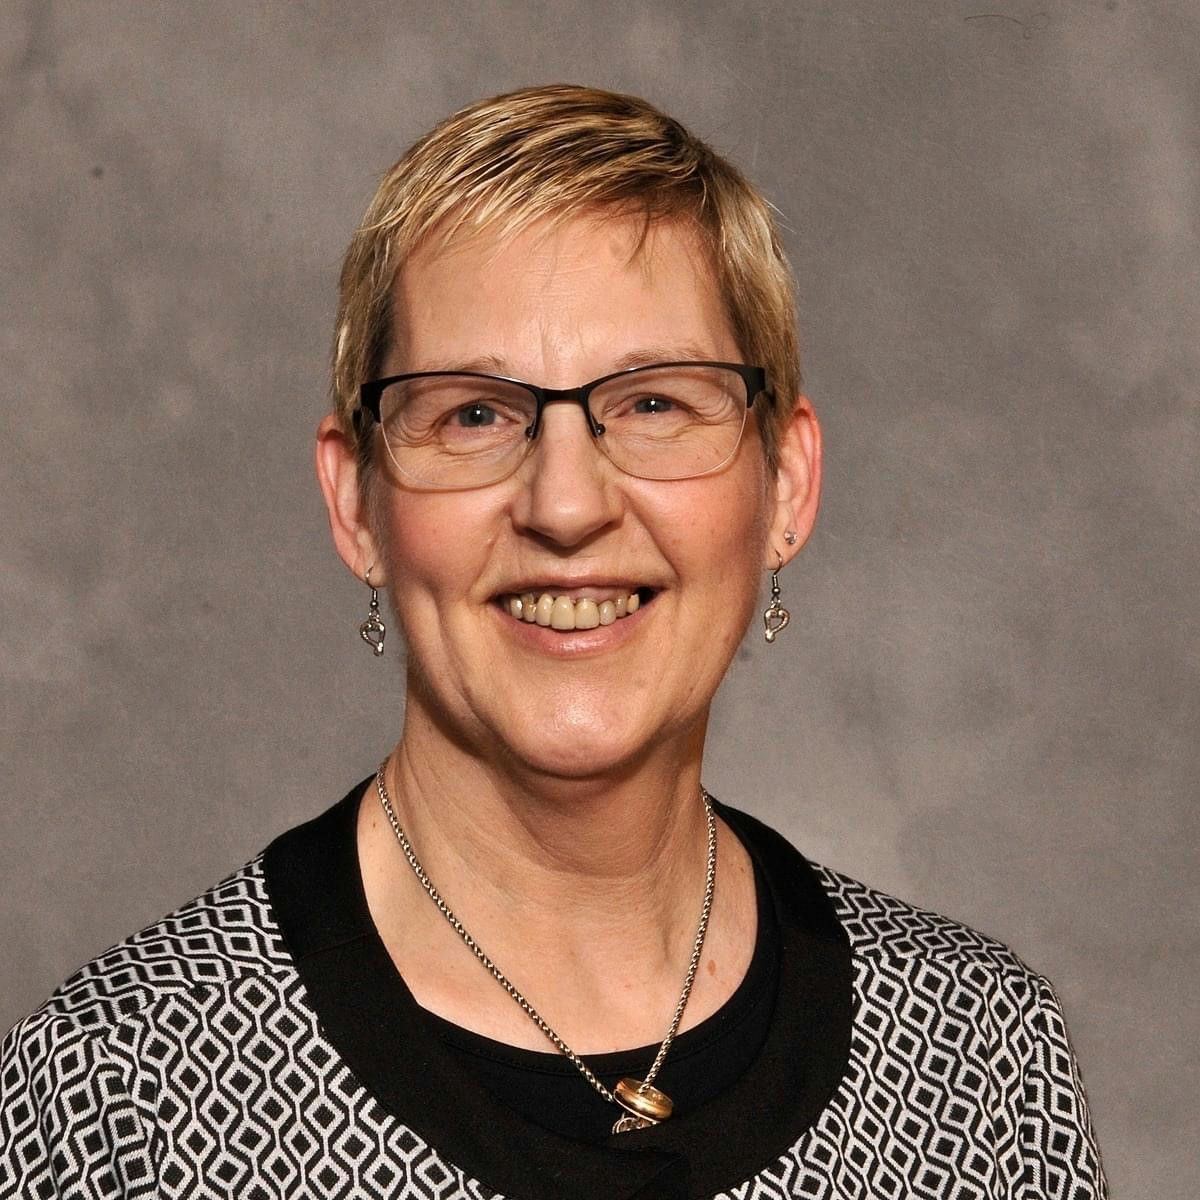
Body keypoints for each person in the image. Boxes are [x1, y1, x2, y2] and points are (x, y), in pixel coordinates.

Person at [0, 84, 1106, 1199]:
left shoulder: (976, 1050)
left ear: (787, 484)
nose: (567, 504)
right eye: (473, 413)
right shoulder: (134, 1090)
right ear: (355, 503)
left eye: (656, 403)